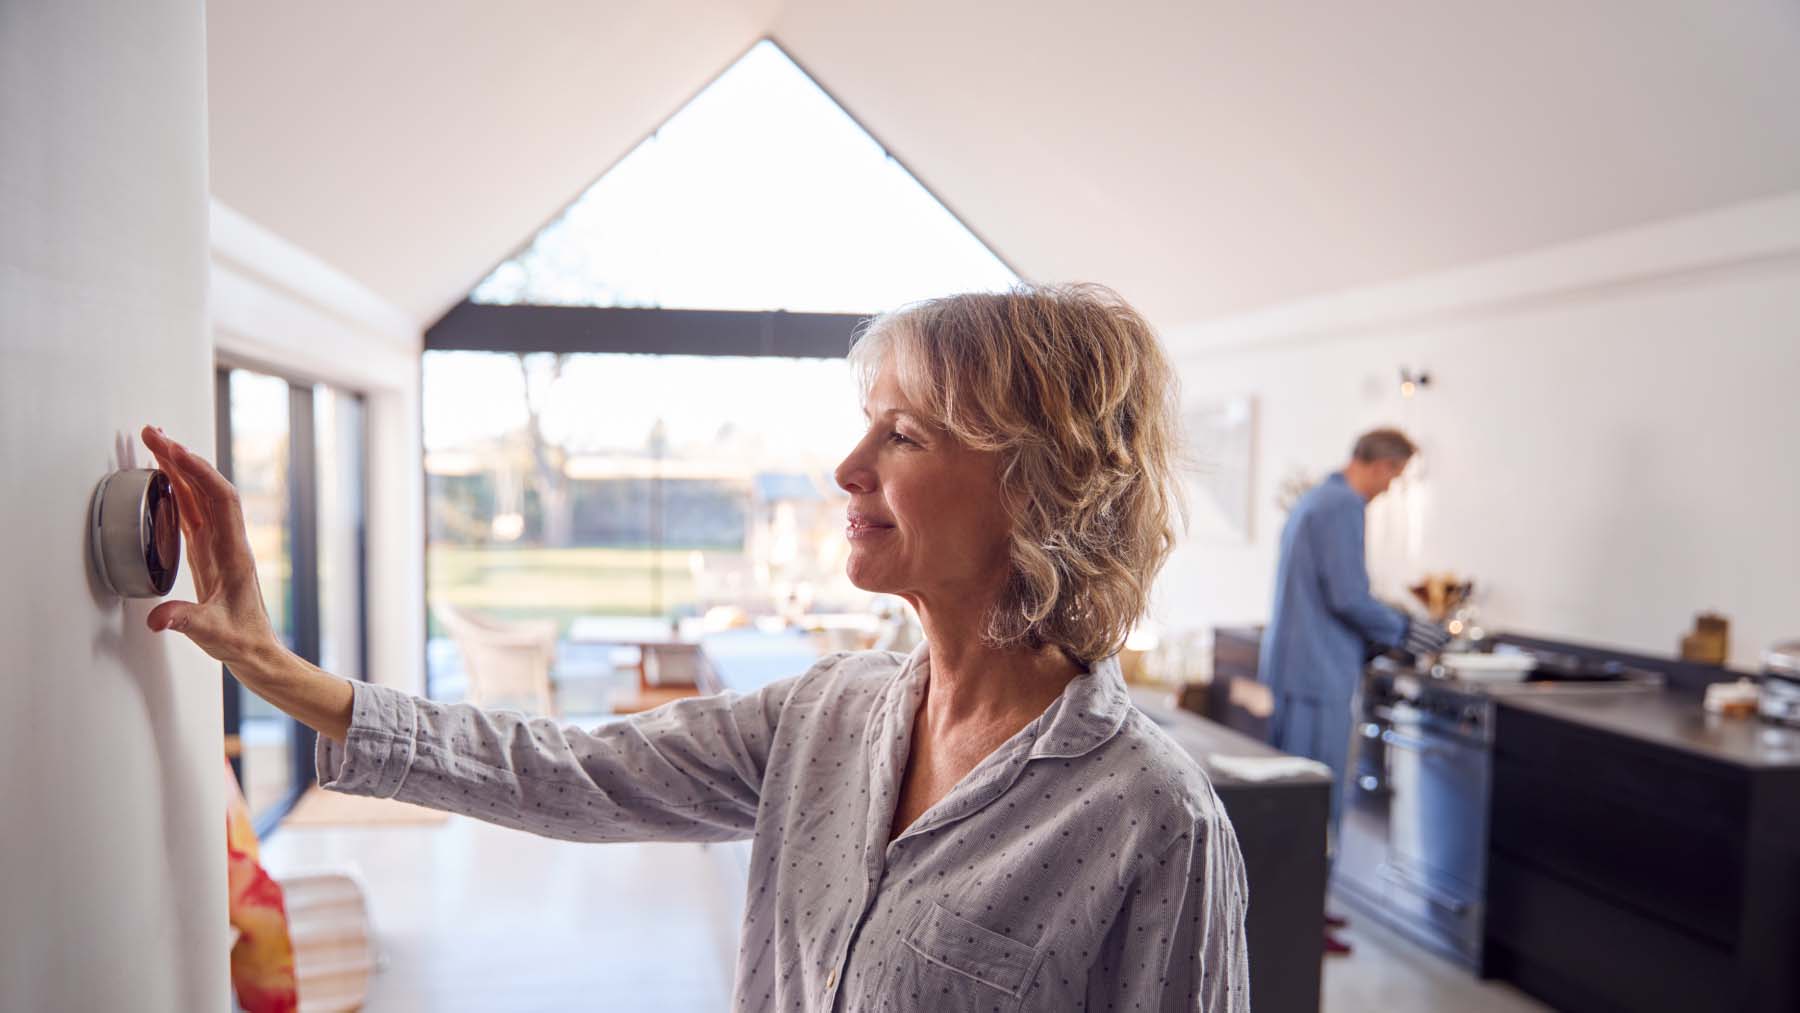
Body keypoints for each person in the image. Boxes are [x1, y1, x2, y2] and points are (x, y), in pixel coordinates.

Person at [141, 283, 1250, 1011]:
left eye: (904, 434)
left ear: (1038, 488)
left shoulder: (1151, 821)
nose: (848, 466)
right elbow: (564, 770)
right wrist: (281, 672)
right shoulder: (828, 712)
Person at [1257, 427, 1447, 955]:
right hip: (1316, 674)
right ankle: (1299, 924)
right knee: (1315, 802)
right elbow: (1347, 595)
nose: (1391, 488)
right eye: (1395, 476)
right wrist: (1406, 629)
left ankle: (1303, 910)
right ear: (1383, 466)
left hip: (1298, 669)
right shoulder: (1342, 506)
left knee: (1299, 797)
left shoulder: (1316, 498)